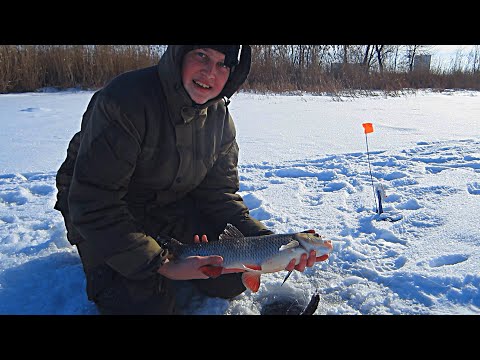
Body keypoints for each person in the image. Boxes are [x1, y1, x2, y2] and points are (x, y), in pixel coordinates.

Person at [54, 45, 329, 315]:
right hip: (97, 213)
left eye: (224, 64)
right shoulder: (125, 101)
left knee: (230, 278)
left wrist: (269, 244)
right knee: (146, 306)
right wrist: (162, 263)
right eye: (202, 55)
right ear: (179, 55)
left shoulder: (219, 118)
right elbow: (94, 201)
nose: (211, 72)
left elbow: (220, 196)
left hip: (165, 203)